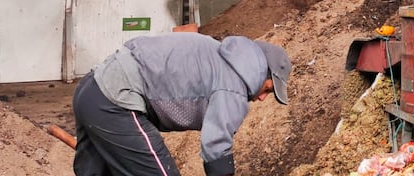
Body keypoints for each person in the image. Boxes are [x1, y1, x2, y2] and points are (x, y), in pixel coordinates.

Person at [72, 31, 291, 176]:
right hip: (115, 99)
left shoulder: (219, 57)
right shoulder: (234, 84)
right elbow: (216, 147)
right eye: (267, 89)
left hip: (91, 90)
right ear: (261, 72)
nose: (261, 98)